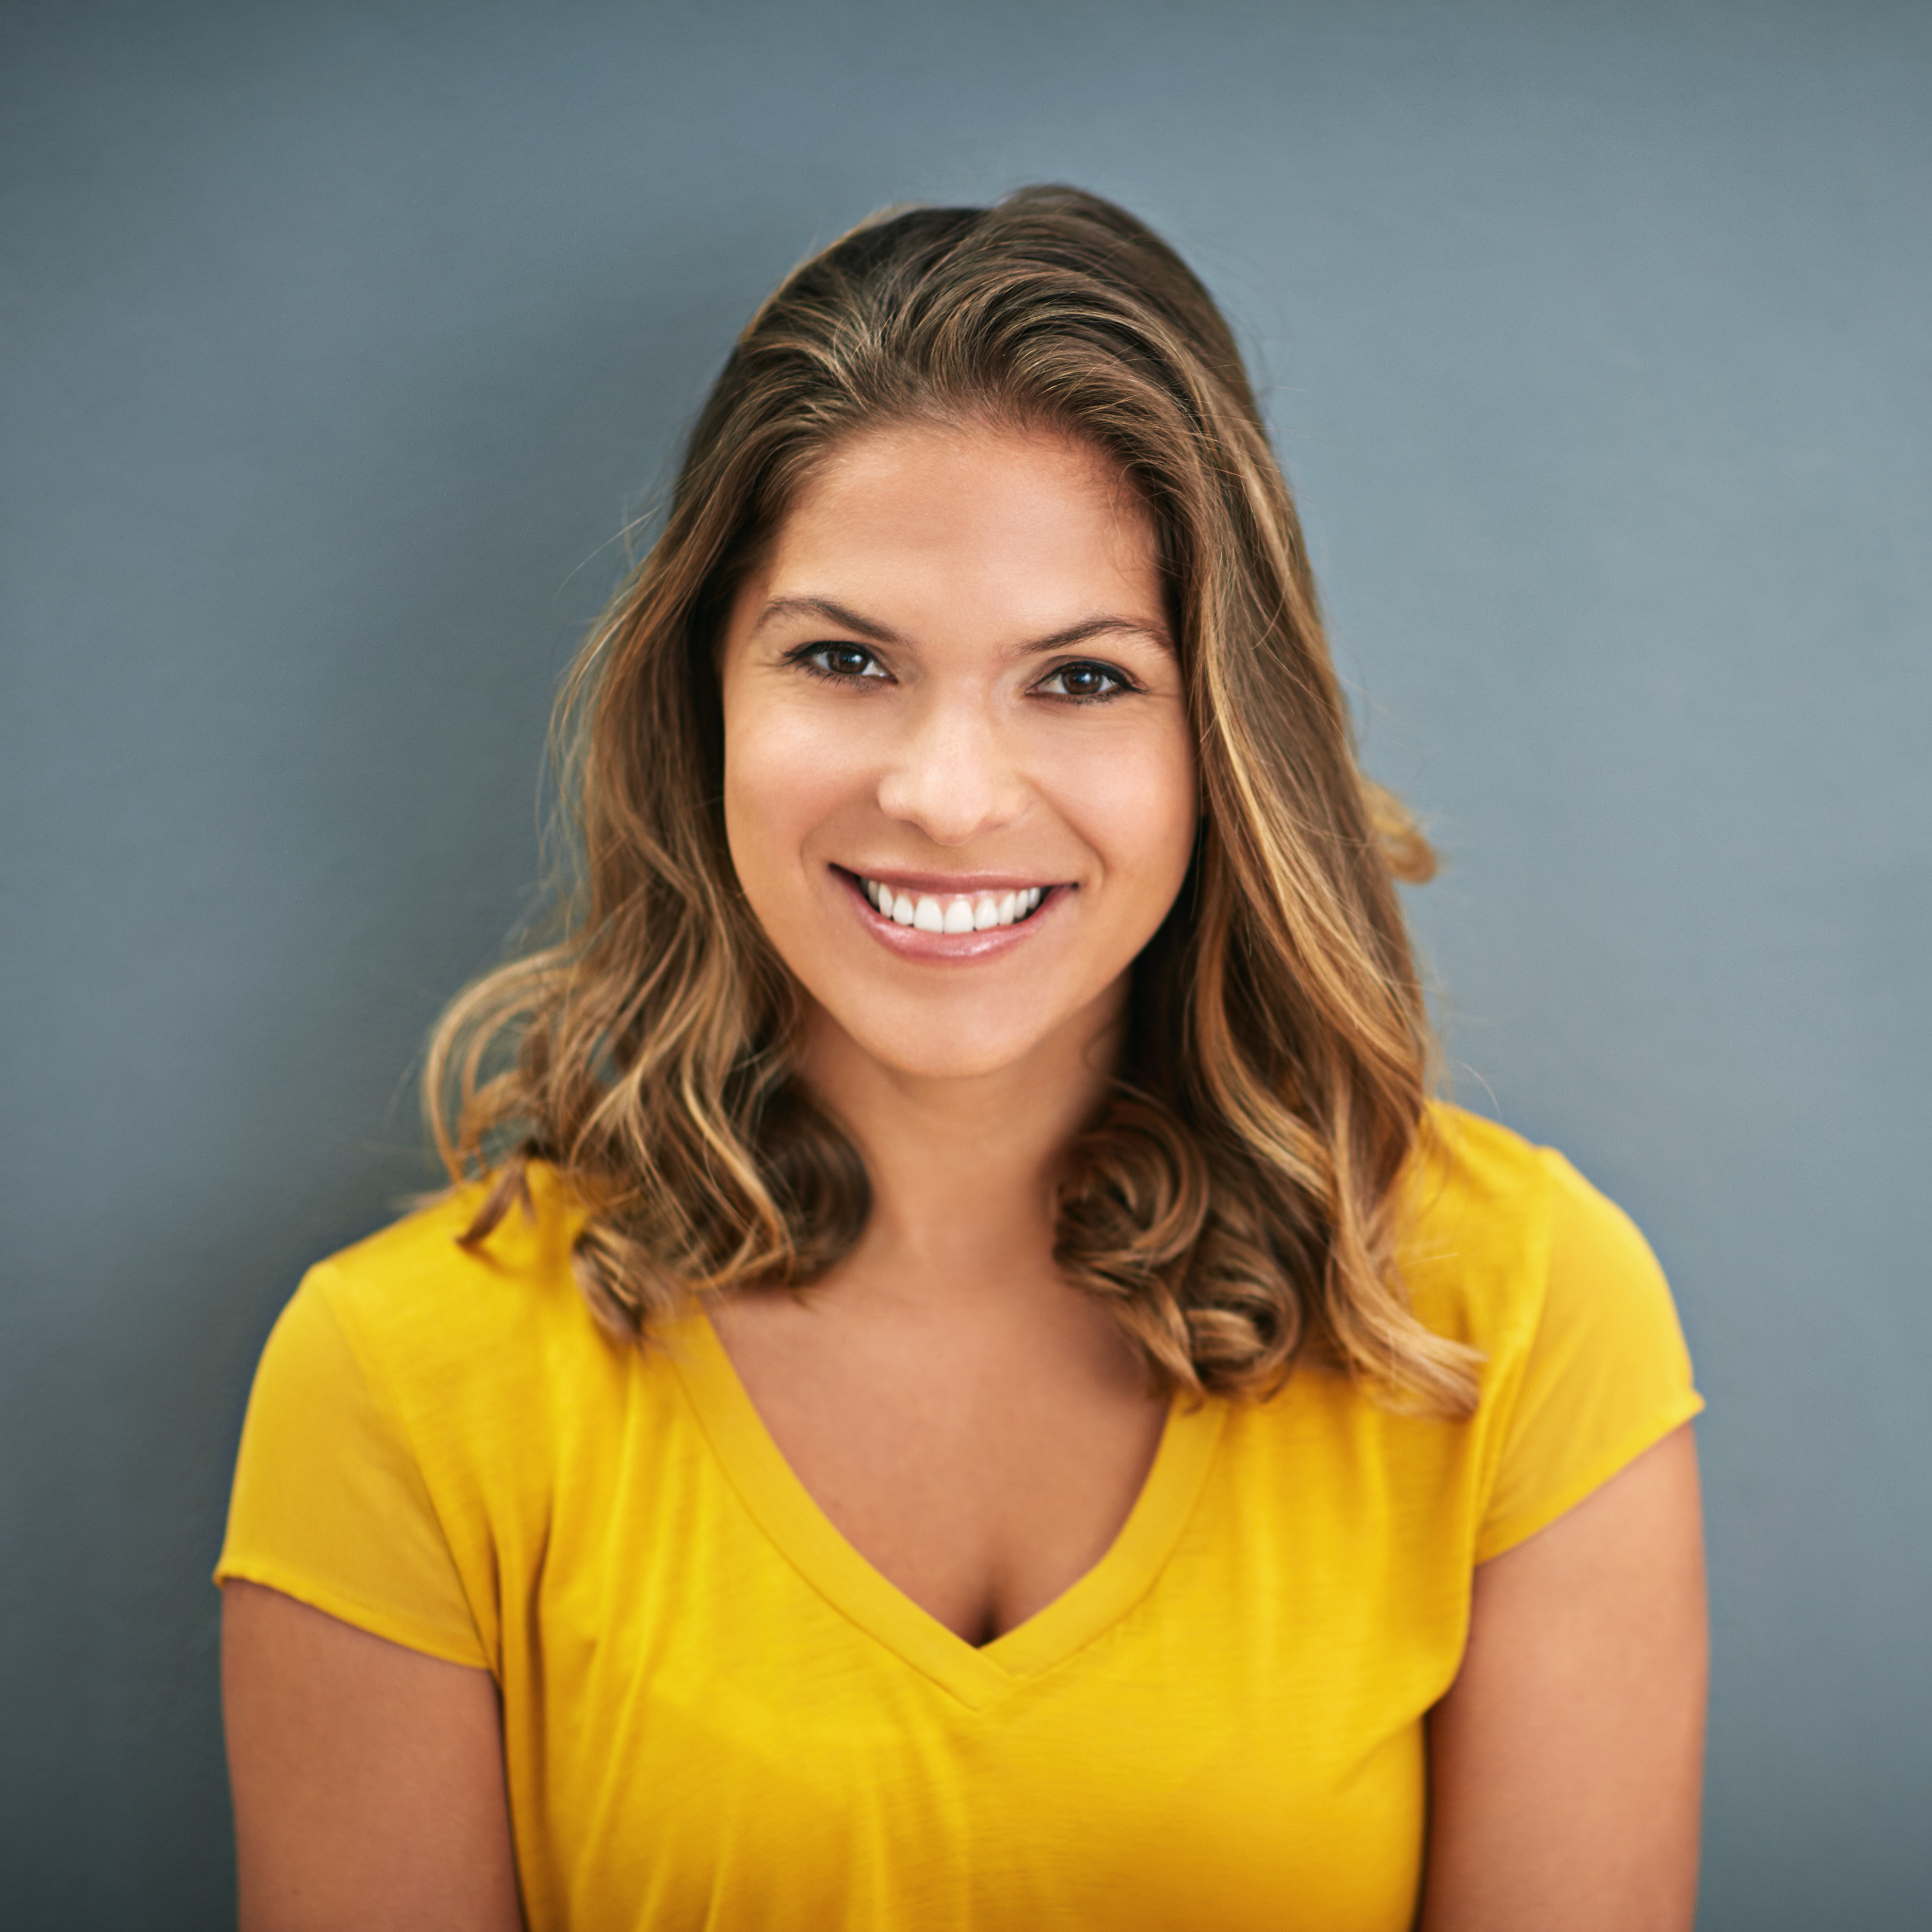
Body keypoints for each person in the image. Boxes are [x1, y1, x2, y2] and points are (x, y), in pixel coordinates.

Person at [217, 186, 1707, 1932]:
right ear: (704, 701)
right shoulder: (398, 1383)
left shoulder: (1518, 1317)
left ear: (1222, 739)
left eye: (1078, 681)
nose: (944, 793)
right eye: (845, 660)